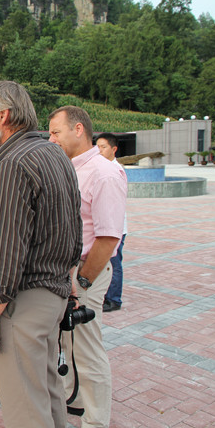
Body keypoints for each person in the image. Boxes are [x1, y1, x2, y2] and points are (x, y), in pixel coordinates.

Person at [0, 81, 83, 428]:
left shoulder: (14, 163)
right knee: (47, 393)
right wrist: (69, 281)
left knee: (26, 409)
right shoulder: (54, 154)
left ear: (3, 116)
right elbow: (74, 225)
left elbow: (7, 249)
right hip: (54, 295)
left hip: (26, 301)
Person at [48, 106, 127, 428]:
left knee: (88, 349)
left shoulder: (104, 173)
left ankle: (95, 424)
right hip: (67, 272)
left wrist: (82, 279)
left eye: (56, 132)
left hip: (86, 272)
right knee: (70, 342)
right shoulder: (69, 168)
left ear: (78, 129)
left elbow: (108, 238)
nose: (51, 139)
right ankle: (75, 396)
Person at [95, 133, 127, 313]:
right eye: (97, 146)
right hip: (108, 226)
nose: (99, 150)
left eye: (103, 147)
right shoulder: (102, 168)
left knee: (114, 263)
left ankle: (114, 299)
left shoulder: (115, 171)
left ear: (114, 149)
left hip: (116, 228)